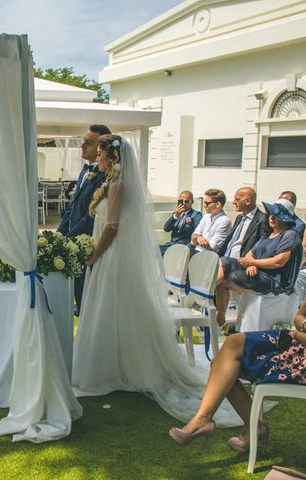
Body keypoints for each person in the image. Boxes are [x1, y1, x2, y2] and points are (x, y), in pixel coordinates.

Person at [71, 134, 240, 426]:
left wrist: (92, 256)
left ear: (112, 157)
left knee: (111, 308)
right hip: (106, 253)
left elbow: (111, 228)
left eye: (100, 154)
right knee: (107, 310)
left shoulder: (118, 185)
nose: (97, 158)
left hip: (111, 256)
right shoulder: (110, 183)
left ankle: (116, 370)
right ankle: (112, 365)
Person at [169, 218, 306, 454]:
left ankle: (221, 423)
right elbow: (299, 316)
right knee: (231, 346)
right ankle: (210, 420)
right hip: (302, 343)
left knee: (227, 363)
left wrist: (302, 330)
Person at [215, 199, 299, 328]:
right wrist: (251, 264)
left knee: (224, 263)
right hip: (256, 272)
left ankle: (203, 293)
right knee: (221, 278)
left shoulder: (289, 235)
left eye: (276, 215)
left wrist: (254, 263)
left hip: (271, 279)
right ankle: (220, 320)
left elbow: (279, 261)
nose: (271, 217)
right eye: (271, 214)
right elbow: (250, 254)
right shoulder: (267, 235)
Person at [57, 124, 111, 314]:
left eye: (88, 143)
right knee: (80, 297)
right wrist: (58, 236)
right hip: (76, 244)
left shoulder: (107, 176)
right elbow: (73, 207)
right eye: (83, 142)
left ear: (102, 147)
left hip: (92, 245)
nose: (82, 146)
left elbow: (92, 215)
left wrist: (69, 239)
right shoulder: (84, 172)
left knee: (92, 303)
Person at [218, 187, 266, 260]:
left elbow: (262, 246)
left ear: (248, 201)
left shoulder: (262, 220)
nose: (233, 202)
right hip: (224, 259)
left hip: (240, 263)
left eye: (237, 199)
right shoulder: (239, 218)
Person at [159, 191, 202, 256]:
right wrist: (175, 216)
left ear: (192, 202)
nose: (184, 204)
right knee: (154, 249)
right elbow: (166, 229)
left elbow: (198, 232)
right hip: (171, 244)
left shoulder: (196, 215)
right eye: (181, 201)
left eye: (186, 201)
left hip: (185, 246)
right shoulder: (176, 214)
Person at [190, 188, 231, 254]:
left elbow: (212, 246)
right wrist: (198, 237)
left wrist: (197, 238)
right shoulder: (206, 216)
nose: (204, 206)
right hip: (196, 251)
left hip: (209, 256)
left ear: (218, 204)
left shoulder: (224, 221)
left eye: (207, 203)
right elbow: (193, 238)